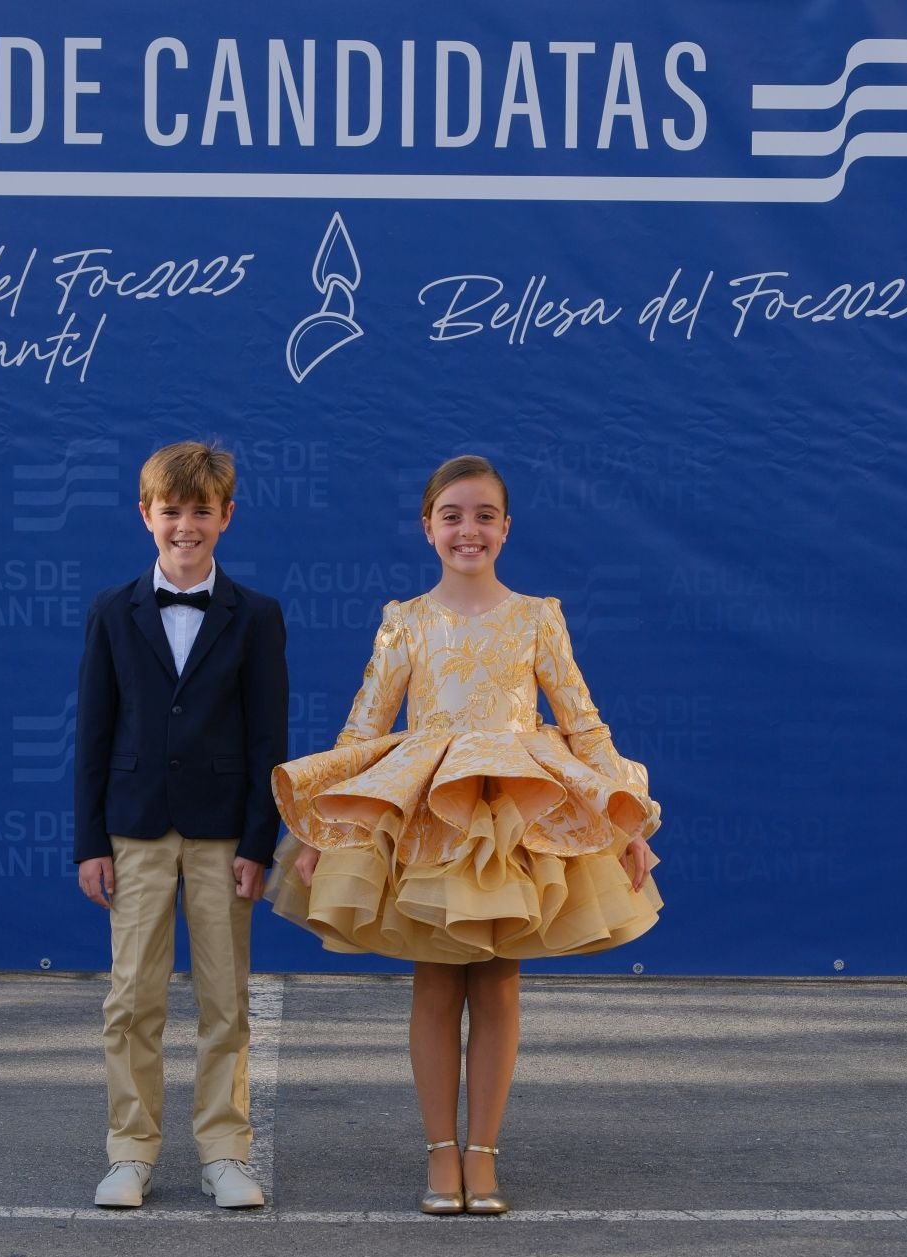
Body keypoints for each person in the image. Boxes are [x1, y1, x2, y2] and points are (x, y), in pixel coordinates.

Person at [266, 454, 661, 1215]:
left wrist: (627, 819)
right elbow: (365, 727)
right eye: (452, 516)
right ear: (427, 528)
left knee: (501, 982)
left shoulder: (537, 616)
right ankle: (439, 1156)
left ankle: (484, 1154)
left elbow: (582, 722)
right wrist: (326, 825)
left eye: (484, 516)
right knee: (437, 979)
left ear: (506, 529)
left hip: (517, 809)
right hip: (431, 813)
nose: (468, 530)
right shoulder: (404, 621)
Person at [75, 441, 288, 1210]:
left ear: (227, 517)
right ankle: (130, 1151)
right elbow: (93, 734)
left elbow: (270, 739)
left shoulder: (257, 616)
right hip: (132, 831)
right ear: (146, 516)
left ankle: (224, 1151)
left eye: (203, 511)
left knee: (225, 997)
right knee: (132, 998)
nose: (186, 525)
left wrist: (260, 842)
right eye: (172, 510)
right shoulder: (110, 610)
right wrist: (90, 842)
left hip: (224, 833)